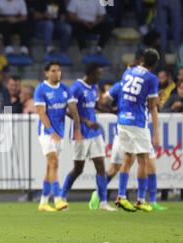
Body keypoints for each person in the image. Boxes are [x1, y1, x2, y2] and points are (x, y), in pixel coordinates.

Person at [102, 81, 167, 211]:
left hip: (134, 130)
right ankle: (100, 193)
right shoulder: (136, 86)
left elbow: (105, 99)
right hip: (134, 130)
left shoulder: (133, 88)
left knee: (149, 165)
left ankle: (149, 200)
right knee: (116, 167)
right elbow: (104, 100)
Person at [59, 63, 116, 211]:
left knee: (100, 166)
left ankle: (103, 202)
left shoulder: (93, 88)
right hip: (81, 133)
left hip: (95, 133)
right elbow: (68, 111)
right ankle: (62, 196)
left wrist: (113, 111)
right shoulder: (77, 88)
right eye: (98, 74)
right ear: (90, 74)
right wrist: (86, 122)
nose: (100, 77)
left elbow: (94, 105)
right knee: (78, 169)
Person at [110, 49, 161, 212]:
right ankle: (140, 199)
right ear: (154, 64)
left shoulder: (128, 72)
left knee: (127, 158)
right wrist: (156, 132)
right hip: (138, 122)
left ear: (142, 60)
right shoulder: (152, 78)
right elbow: (152, 107)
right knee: (143, 160)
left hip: (123, 120)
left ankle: (121, 196)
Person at [34, 61, 82, 212]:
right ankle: (58, 199)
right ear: (46, 73)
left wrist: (77, 128)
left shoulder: (65, 89)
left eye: (59, 70)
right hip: (46, 133)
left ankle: (43, 202)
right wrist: (50, 131)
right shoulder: (41, 89)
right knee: (54, 162)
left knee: (50, 167)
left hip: (59, 133)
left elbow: (73, 110)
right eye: (53, 71)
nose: (57, 73)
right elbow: (41, 112)